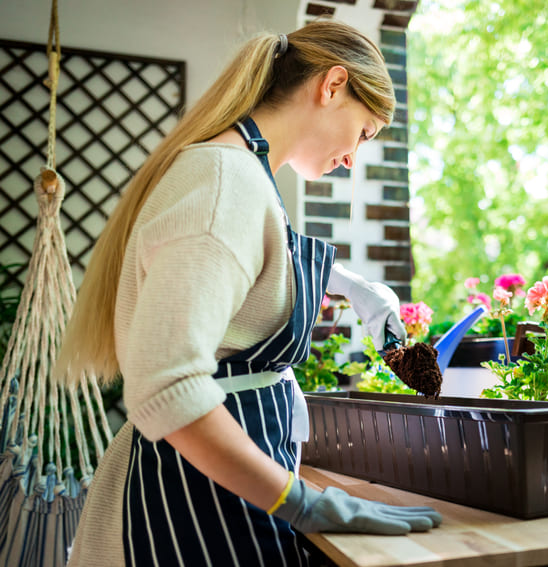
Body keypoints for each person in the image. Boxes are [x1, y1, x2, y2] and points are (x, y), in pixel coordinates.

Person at [58, 19, 442, 567]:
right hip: (196, 495)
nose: (352, 158)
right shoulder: (225, 180)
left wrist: (350, 285)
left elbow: (250, 264)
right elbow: (166, 384)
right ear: (333, 85)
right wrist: (300, 502)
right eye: (363, 133)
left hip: (228, 485)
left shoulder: (243, 173)